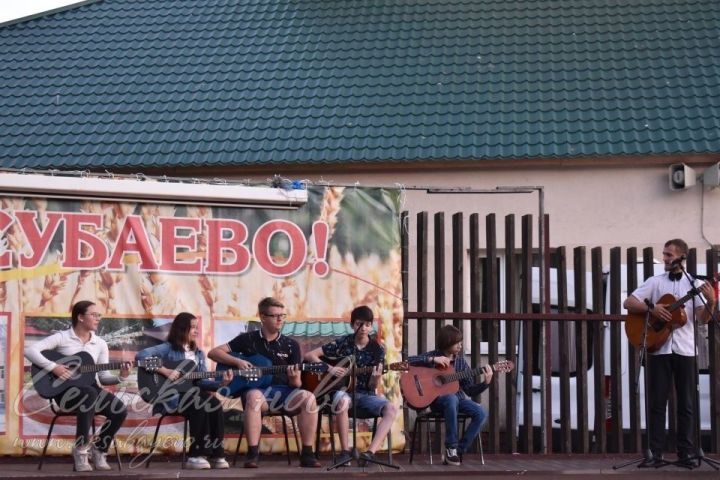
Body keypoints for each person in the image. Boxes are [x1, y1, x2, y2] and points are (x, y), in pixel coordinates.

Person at [624, 238, 716, 468]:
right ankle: (655, 453)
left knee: (686, 404)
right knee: (657, 404)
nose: (664, 258)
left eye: (668, 255)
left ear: (681, 258)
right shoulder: (655, 282)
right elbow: (628, 302)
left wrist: (712, 301)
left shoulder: (694, 284)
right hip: (659, 349)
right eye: (664, 254)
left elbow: (702, 319)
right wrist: (652, 307)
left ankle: (685, 453)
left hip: (685, 350)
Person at [208, 297, 320, 468]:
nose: (280, 319)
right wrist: (237, 362)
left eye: (282, 315)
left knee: (309, 398)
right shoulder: (247, 339)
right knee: (253, 396)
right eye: (275, 316)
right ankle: (253, 454)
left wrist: (293, 378)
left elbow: (296, 385)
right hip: (258, 393)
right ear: (263, 317)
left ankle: (307, 453)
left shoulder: (291, 345)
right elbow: (214, 353)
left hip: (285, 393)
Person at [24, 300, 130, 472]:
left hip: (91, 389)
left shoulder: (100, 343)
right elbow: (30, 351)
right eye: (94, 315)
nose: (98, 319)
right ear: (80, 317)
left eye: (99, 315)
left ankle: (99, 449)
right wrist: (54, 367)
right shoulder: (62, 337)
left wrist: (121, 378)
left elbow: (103, 377)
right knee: (88, 393)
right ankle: (81, 450)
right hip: (64, 393)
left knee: (119, 409)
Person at [135, 312, 232, 469]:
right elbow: (140, 356)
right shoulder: (168, 348)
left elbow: (202, 382)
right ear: (182, 329)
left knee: (214, 403)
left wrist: (221, 384)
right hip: (171, 397)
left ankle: (217, 454)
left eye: (196, 327)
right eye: (192, 327)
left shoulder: (198, 354)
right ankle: (196, 455)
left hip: (193, 396)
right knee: (199, 402)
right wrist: (164, 371)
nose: (196, 331)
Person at [304, 305, 398, 466]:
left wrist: (375, 378)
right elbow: (309, 355)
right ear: (352, 325)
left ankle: (370, 453)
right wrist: (331, 369)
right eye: (359, 324)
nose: (363, 328)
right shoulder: (343, 342)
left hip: (365, 395)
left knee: (391, 408)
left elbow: (372, 385)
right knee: (343, 401)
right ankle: (345, 452)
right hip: (342, 392)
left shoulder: (377, 349)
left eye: (367, 324)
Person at [408, 324, 492, 466]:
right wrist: (432, 360)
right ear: (446, 342)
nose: (460, 345)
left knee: (481, 412)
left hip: (459, 401)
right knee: (451, 398)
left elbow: (470, 390)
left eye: (461, 342)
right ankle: (451, 447)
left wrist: (486, 383)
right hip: (438, 402)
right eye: (457, 342)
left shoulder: (460, 362)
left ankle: (457, 451)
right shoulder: (432, 356)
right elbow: (407, 362)